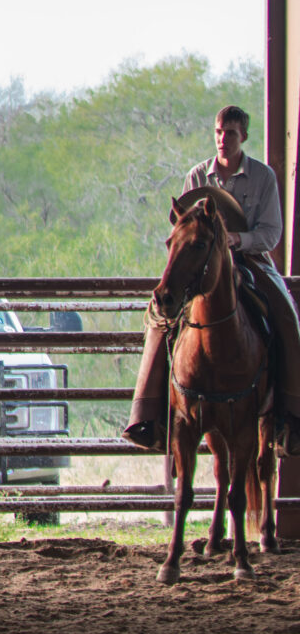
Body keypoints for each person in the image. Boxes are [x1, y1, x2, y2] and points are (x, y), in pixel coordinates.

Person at [123, 105, 300, 451]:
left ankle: (289, 413)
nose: (222, 139)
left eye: (230, 133)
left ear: (243, 137)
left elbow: (272, 231)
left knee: (286, 313)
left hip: (249, 261)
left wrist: (238, 240)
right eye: (218, 132)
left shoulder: (263, 178)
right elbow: (184, 228)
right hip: (204, 264)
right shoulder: (197, 176)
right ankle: (149, 414)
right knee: (160, 314)